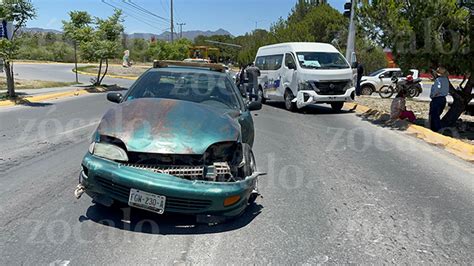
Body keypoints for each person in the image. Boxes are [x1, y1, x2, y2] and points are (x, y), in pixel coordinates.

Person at [429, 66, 450, 132]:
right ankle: (435, 129)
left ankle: (437, 129)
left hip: (437, 99)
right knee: (437, 115)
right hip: (443, 99)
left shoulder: (438, 80)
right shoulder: (446, 80)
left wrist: (433, 95)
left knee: (434, 116)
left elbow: (437, 89)